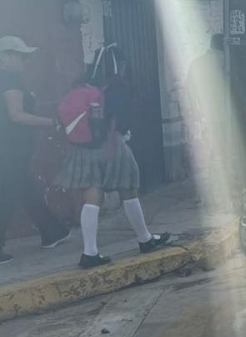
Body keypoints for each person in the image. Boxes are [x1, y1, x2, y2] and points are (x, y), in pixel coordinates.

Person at [57, 45, 170, 269]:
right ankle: (145, 239)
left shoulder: (81, 86)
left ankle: (90, 252)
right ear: (120, 65)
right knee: (129, 189)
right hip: (111, 144)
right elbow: (124, 117)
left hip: (83, 148)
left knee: (92, 195)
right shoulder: (118, 86)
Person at [0, 37, 70, 264]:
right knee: (8, 195)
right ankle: (52, 231)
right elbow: (16, 115)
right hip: (12, 149)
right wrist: (50, 122)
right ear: (6, 56)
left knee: (23, 191)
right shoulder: (10, 80)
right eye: (21, 56)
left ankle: (53, 231)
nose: (25, 60)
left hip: (10, 148)